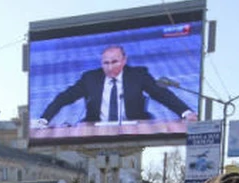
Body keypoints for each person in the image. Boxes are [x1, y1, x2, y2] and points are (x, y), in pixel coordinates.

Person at [35, 45, 197, 126]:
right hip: (96, 129)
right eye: (106, 63)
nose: (110, 67)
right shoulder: (90, 78)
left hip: (133, 128)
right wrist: (44, 119)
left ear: (124, 61)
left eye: (114, 62)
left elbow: (162, 94)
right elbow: (64, 98)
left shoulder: (138, 75)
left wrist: (185, 112)